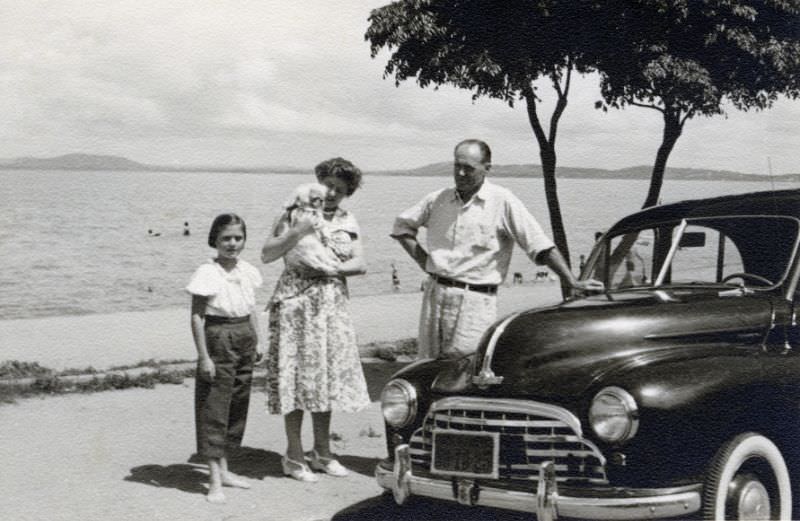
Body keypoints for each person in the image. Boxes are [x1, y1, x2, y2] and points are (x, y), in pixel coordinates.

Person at [391, 139, 604, 360]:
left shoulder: (502, 201)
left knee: (466, 365)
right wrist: (425, 262)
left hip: (475, 301)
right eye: (457, 166)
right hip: (435, 295)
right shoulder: (438, 199)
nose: (461, 173)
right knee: (426, 366)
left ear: (487, 167)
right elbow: (402, 228)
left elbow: (538, 243)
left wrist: (571, 281)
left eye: (469, 168)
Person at [261, 157, 370, 482]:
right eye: (328, 185)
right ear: (318, 181)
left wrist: (333, 268)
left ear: (348, 192)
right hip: (296, 304)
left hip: (331, 304)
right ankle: (294, 455)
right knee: (294, 377)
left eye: (340, 189)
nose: (333, 193)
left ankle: (322, 452)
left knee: (325, 378)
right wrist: (297, 232)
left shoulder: (349, 220)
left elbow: (361, 262)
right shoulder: (294, 212)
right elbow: (267, 254)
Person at [185, 213, 263, 503]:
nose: (232, 244)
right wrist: (203, 356)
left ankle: (226, 470)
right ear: (214, 241)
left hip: (244, 335)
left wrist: (258, 340)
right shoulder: (207, 272)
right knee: (214, 407)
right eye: (226, 238)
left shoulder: (247, 270)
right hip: (218, 337)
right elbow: (196, 316)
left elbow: (252, 308)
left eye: (238, 238)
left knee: (237, 404)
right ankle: (214, 479)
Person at [281, 182, 341, 273]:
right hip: (301, 242)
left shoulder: (316, 213)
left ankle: (328, 265)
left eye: (322, 199)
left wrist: (325, 236)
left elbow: (321, 226)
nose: (320, 202)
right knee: (310, 254)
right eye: (316, 199)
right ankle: (322, 266)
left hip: (314, 239)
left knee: (321, 251)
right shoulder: (297, 212)